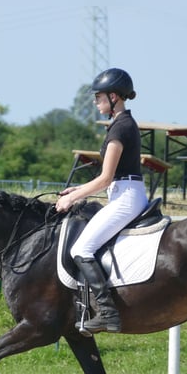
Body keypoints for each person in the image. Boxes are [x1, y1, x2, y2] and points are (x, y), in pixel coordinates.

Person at [55, 68, 147, 334]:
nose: (96, 102)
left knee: (81, 249)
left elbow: (105, 178)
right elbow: (109, 178)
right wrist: (77, 188)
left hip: (126, 197)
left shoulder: (121, 128)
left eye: (99, 97)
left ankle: (107, 313)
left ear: (114, 96)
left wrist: (73, 197)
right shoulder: (121, 124)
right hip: (123, 193)